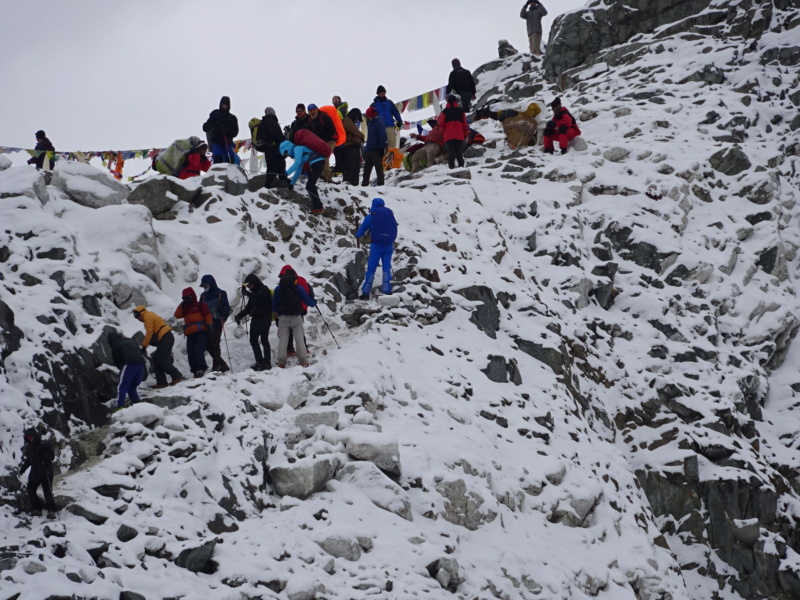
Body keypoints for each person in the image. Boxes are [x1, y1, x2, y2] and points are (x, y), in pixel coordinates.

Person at [272, 268, 317, 368]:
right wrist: (314, 302)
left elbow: (274, 306)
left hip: (283, 317)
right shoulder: (298, 288)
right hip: (296, 317)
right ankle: (303, 361)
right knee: (299, 338)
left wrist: (276, 319)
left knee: (283, 340)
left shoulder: (278, 289)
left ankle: (281, 362)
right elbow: (308, 301)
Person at [356, 198, 398, 300]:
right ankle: (386, 290)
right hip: (389, 245)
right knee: (386, 268)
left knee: (371, 268)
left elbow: (363, 228)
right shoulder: (389, 215)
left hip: (376, 245)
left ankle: (366, 292)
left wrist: (358, 235)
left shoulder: (372, 216)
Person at [133, 306, 183, 388]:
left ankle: (177, 376)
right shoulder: (149, 316)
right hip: (165, 337)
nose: (139, 319)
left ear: (141, 313)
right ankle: (161, 382)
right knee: (156, 359)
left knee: (162, 359)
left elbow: (149, 332)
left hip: (166, 337)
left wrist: (144, 346)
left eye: (138, 317)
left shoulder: (148, 317)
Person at [235, 273, 273, 371]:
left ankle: (267, 362)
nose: (248, 287)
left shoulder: (264, 289)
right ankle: (259, 362)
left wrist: (247, 294)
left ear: (254, 283)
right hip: (256, 318)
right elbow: (248, 308)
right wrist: (239, 316)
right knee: (253, 340)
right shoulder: (253, 293)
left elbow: (259, 297)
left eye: (249, 285)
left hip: (265, 317)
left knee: (264, 340)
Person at [19, 428, 57, 518]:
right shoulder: (30, 447)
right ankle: (37, 509)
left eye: (31, 437)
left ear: (35, 436)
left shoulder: (44, 444)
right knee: (30, 490)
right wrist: (22, 470)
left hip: (45, 471)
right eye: (28, 438)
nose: (30, 439)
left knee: (47, 492)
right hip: (35, 472)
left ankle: (51, 511)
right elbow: (28, 460)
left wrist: (43, 454)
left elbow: (52, 457)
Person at [174, 287, 212, 378]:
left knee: (198, 350)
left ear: (193, 296)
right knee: (191, 353)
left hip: (200, 331)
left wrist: (210, 325)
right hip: (190, 333)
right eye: (184, 298)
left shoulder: (200, 305)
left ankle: (201, 368)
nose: (186, 300)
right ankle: (195, 370)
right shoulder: (185, 308)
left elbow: (207, 314)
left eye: (188, 297)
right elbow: (177, 315)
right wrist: (181, 305)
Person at [280, 139, 325, 214]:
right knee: (310, 186)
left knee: (310, 186)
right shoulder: (300, 151)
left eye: (286, 154)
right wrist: (292, 184)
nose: (288, 156)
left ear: (288, 148)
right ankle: (318, 207)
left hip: (316, 163)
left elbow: (297, 163)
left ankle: (318, 207)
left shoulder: (297, 148)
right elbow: (299, 169)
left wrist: (287, 172)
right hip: (317, 163)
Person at [278, 265, 314, 356]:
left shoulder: (295, 282)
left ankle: (293, 349)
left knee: (292, 330)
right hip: (298, 308)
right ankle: (301, 349)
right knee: (298, 330)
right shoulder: (300, 281)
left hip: (296, 309)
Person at [199, 274, 231, 373]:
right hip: (206, 323)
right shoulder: (203, 296)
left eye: (206, 286)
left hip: (217, 322)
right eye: (203, 286)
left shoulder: (221, 293)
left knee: (215, 344)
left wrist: (223, 311)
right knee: (208, 345)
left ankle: (216, 366)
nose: (205, 288)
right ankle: (222, 364)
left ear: (211, 284)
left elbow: (227, 308)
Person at [107, 330, 146, 410]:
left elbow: (116, 359)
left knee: (122, 386)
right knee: (132, 386)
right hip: (141, 364)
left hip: (129, 364)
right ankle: (137, 403)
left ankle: (120, 407)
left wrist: (121, 369)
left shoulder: (115, 344)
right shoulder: (130, 340)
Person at [255, 107, 290, 188]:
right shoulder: (271, 121)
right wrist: (283, 139)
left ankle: (269, 184)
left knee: (271, 167)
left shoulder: (264, 122)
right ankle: (282, 182)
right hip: (275, 148)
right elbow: (275, 135)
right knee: (280, 164)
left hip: (268, 149)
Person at [203, 96, 240, 164]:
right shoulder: (215, 115)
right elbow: (205, 127)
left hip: (227, 142)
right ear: (220, 104)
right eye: (223, 105)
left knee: (230, 162)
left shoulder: (232, 118)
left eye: (226, 105)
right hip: (217, 142)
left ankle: (231, 173)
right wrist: (213, 127)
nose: (225, 106)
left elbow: (235, 132)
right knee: (218, 162)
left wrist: (227, 131)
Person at [307, 104, 338, 182]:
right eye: (310, 111)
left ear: (317, 109)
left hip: (331, 139)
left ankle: (327, 176)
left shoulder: (324, 117)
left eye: (314, 110)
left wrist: (323, 140)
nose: (312, 112)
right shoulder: (310, 121)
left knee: (325, 153)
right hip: (320, 142)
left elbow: (332, 130)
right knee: (316, 155)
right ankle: (320, 174)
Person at [439, 95, 469, 169]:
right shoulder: (460, 110)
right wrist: (465, 133)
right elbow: (465, 124)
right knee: (459, 152)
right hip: (459, 135)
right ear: (456, 101)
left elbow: (441, 124)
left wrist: (443, 134)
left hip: (448, 135)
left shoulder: (444, 111)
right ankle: (461, 166)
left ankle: (451, 167)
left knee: (451, 152)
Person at [370, 85, 403, 150]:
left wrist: (399, 121)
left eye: (384, 92)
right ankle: (382, 158)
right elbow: (371, 117)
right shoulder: (374, 105)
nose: (383, 94)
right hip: (380, 128)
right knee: (381, 145)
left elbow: (395, 112)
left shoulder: (389, 103)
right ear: (378, 94)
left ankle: (391, 159)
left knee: (392, 144)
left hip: (390, 125)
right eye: (381, 93)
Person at [362, 107, 387, 187]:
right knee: (367, 169)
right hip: (369, 148)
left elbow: (382, 135)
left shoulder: (379, 122)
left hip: (376, 148)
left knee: (378, 168)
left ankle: (381, 184)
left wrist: (381, 147)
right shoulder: (370, 123)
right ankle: (364, 184)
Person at [341, 108, 365, 185]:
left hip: (355, 146)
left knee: (356, 167)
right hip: (350, 146)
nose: (357, 120)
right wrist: (362, 136)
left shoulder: (350, 121)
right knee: (350, 165)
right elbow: (355, 131)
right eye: (357, 118)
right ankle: (347, 182)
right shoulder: (347, 120)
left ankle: (354, 184)